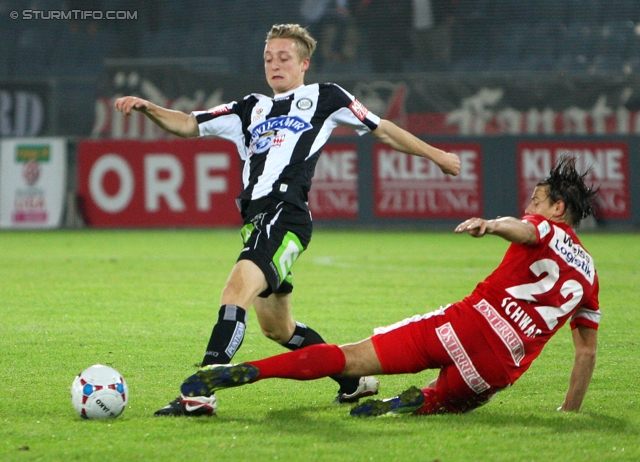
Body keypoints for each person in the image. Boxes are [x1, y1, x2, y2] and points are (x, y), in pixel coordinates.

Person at [114, 23, 461, 416]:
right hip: (256, 220)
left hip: (285, 215)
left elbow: (383, 130)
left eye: (283, 58)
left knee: (234, 293)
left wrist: (437, 156)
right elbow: (189, 123)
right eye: (268, 58)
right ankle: (353, 379)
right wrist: (149, 108)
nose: (274, 65)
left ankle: (200, 393)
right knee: (277, 329)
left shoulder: (326, 97)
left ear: (303, 64)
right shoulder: (249, 108)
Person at [180, 156, 600, 417]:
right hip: (497, 367)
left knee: (350, 359)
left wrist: (492, 224)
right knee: (445, 401)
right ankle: (412, 404)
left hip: (467, 326)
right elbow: (585, 352)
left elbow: (523, 230)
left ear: (557, 208)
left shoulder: (542, 227)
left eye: (536, 199)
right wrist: (569, 410)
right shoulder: (590, 275)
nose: (529, 206)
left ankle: (252, 372)